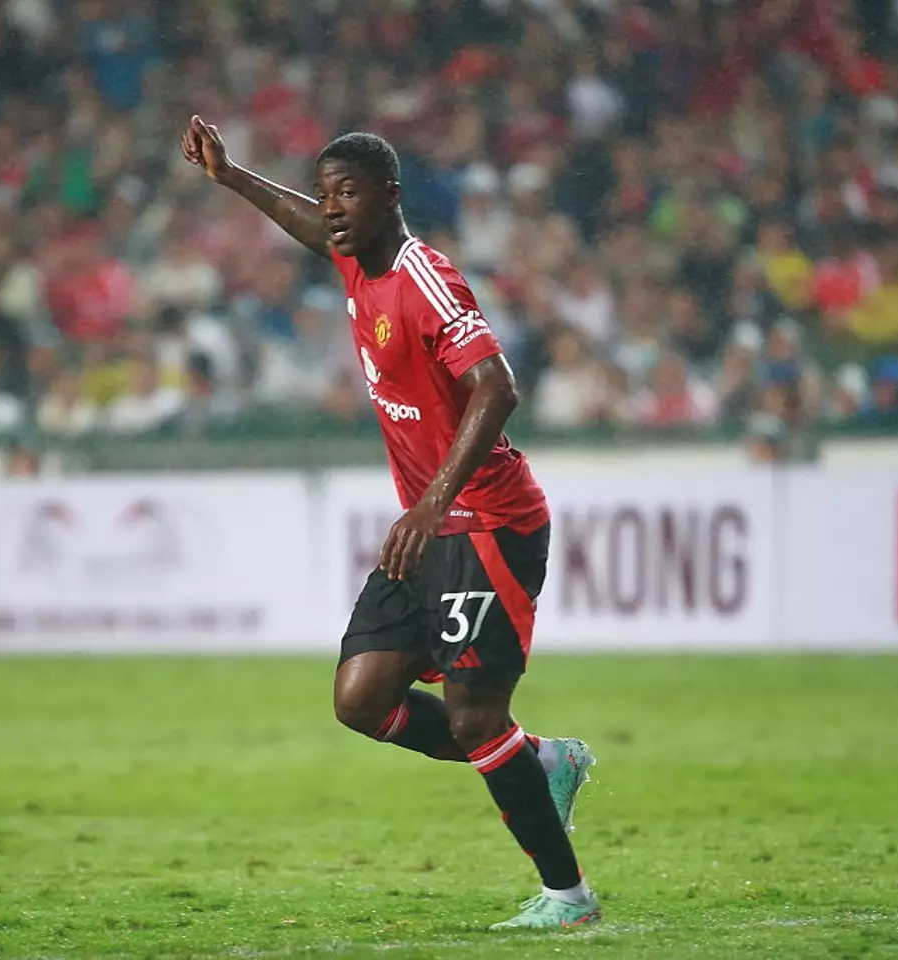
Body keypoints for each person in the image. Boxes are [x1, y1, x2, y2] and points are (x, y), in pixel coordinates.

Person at [181, 116, 600, 931]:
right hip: (431, 528)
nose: (333, 207)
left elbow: (497, 387)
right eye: (327, 193)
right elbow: (308, 226)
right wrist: (230, 175)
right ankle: (541, 760)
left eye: (349, 193)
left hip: (486, 522)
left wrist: (433, 501)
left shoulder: (423, 277)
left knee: (476, 715)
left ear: (391, 197)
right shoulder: (353, 259)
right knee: (362, 698)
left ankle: (569, 897)